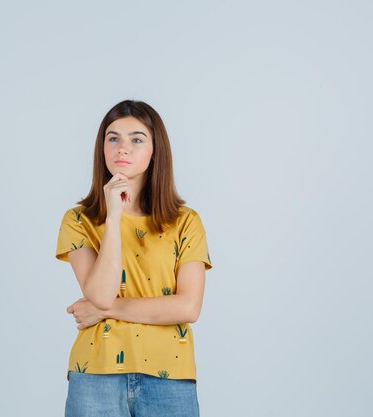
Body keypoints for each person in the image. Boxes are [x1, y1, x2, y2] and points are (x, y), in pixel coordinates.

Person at [55, 99, 213, 417]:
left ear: (156, 150)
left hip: (170, 374)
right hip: (96, 373)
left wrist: (105, 310)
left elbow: (188, 307)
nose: (122, 148)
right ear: (102, 147)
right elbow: (98, 294)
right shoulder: (79, 219)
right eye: (113, 138)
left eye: (136, 139)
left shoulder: (185, 221)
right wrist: (113, 216)